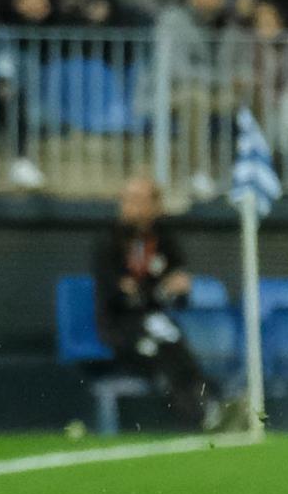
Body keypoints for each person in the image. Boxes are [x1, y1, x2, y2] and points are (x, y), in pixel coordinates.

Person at [93, 176, 240, 429]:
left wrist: (178, 290)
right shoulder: (109, 243)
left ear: (155, 205)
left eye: (140, 200)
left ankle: (214, 406)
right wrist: (159, 290)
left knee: (177, 348)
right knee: (162, 357)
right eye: (128, 199)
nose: (132, 206)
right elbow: (122, 296)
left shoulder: (164, 240)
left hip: (157, 322)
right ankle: (201, 416)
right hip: (121, 327)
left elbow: (179, 295)